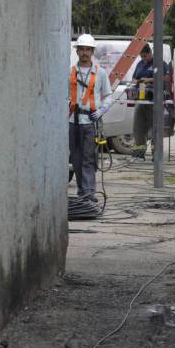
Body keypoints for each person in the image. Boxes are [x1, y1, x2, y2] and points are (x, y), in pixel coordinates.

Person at [69, 34, 114, 218]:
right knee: (76, 159)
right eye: (82, 49)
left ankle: (89, 194)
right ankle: (82, 191)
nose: (84, 52)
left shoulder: (100, 73)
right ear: (77, 51)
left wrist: (102, 110)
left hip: (90, 122)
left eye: (88, 49)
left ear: (92, 52)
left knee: (88, 159)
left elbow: (108, 95)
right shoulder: (70, 72)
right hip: (73, 121)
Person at [131, 45, 171, 157]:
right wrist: (138, 81)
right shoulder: (140, 64)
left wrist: (149, 80)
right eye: (141, 56)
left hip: (155, 100)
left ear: (150, 53)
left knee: (155, 128)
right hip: (141, 100)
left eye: (145, 56)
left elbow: (166, 78)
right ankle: (139, 153)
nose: (143, 58)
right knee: (138, 127)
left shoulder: (160, 63)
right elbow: (134, 79)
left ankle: (156, 155)